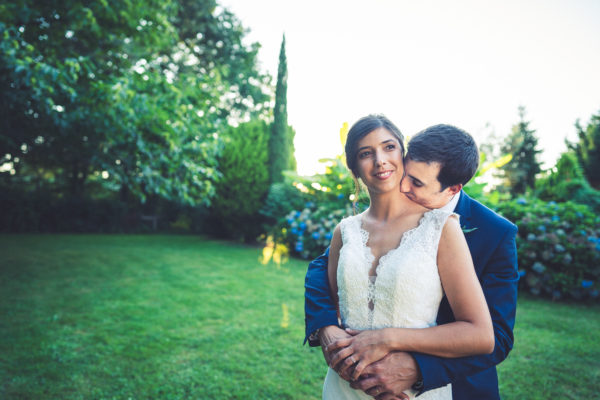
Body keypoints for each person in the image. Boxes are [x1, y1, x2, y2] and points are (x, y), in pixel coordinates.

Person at [305, 122, 519, 400]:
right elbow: (324, 272)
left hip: (446, 384)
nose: (403, 184)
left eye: (416, 182)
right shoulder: (348, 229)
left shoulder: (484, 232)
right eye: (366, 153)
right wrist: (327, 330)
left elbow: (494, 336)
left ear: (452, 189)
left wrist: (415, 369)